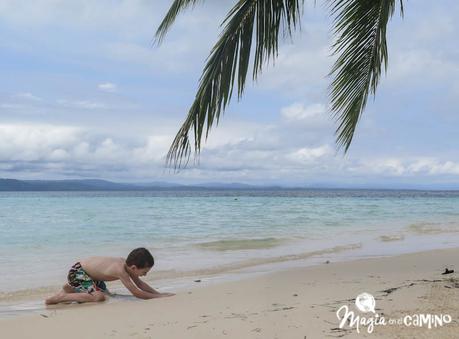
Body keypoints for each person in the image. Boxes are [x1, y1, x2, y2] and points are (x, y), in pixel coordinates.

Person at [45, 247, 174, 305]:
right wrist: (158, 297)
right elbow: (136, 292)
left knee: (107, 295)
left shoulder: (128, 266)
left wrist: (159, 293)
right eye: (144, 272)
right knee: (99, 298)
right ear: (134, 268)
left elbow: (140, 284)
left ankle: (70, 288)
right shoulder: (120, 270)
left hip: (92, 277)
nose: (144, 275)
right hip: (78, 272)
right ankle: (59, 298)